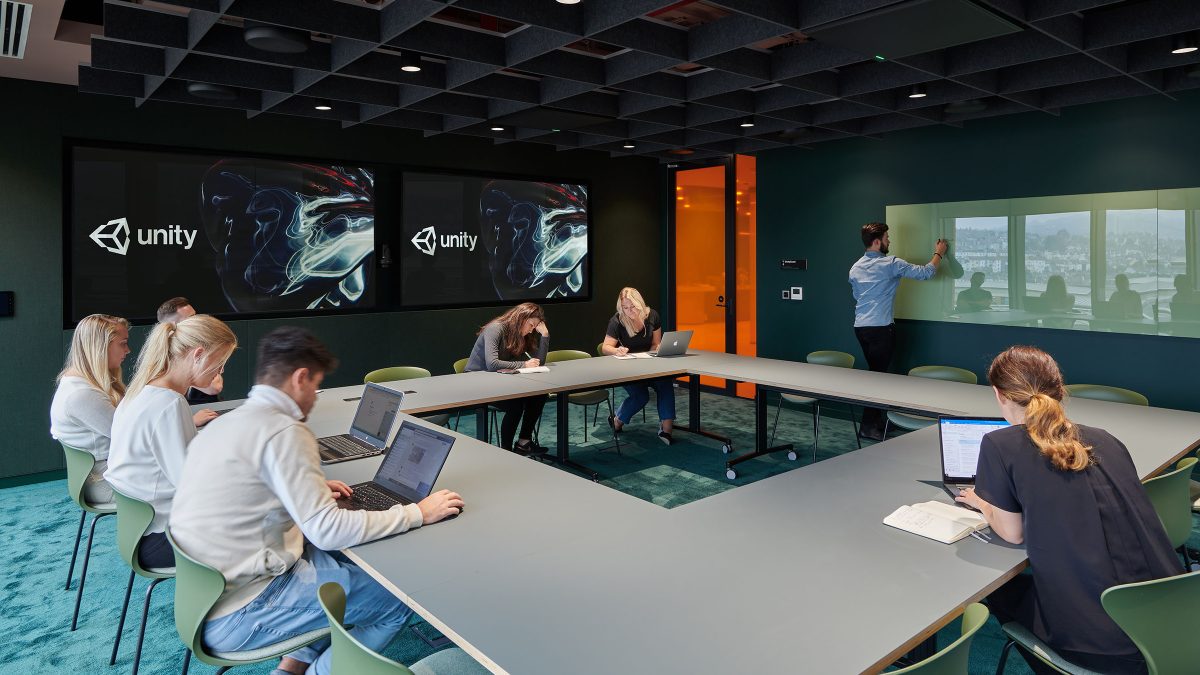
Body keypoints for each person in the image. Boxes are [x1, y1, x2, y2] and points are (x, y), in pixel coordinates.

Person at [171, 327, 465, 675]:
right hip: (241, 612)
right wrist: (417, 512)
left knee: (341, 566)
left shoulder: (227, 424)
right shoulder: (284, 431)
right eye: (316, 385)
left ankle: (292, 668)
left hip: (203, 598)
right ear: (300, 378)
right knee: (397, 600)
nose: (314, 398)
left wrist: (308, 491)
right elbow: (328, 531)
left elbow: (248, 493)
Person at [955, 346, 1181, 675]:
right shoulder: (1105, 438)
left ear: (999, 394)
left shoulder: (998, 444)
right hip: (1173, 618)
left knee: (1002, 590)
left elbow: (1012, 532)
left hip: (1106, 649)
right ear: (1060, 389)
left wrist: (982, 501)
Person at [104, 314, 237, 568]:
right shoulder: (170, 403)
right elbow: (194, 488)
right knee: (274, 524)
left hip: (140, 532)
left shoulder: (141, 391)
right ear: (198, 354)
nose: (221, 372)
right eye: (220, 363)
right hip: (163, 539)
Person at [848, 222, 947, 440]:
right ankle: (868, 427)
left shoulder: (855, 267)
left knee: (876, 374)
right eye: (886, 238)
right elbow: (925, 273)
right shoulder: (890, 263)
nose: (889, 241)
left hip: (861, 327)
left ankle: (877, 422)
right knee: (878, 378)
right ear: (877, 242)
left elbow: (858, 296)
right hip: (881, 329)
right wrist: (938, 253)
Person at [50, 314, 131, 505]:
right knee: (185, 484)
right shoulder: (82, 395)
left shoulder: (81, 384)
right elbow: (132, 434)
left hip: (111, 472)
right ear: (100, 347)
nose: (128, 350)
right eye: (123, 343)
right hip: (106, 484)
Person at [465, 302, 550, 455]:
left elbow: (538, 363)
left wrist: (545, 335)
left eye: (534, 327)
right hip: (477, 382)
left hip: (499, 380)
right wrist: (523, 364)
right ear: (521, 318)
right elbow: (492, 364)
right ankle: (506, 452)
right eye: (531, 325)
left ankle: (524, 443)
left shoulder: (520, 334)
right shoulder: (496, 328)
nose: (531, 330)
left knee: (540, 395)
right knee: (516, 404)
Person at [601, 287, 675, 444]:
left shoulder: (652, 316)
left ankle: (666, 431)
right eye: (625, 308)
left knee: (665, 383)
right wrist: (617, 350)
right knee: (641, 396)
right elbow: (605, 347)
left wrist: (657, 349)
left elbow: (656, 343)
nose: (629, 311)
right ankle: (617, 421)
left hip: (650, 365)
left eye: (632, 306)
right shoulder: (617, 320)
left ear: (640, 303)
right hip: (628, 369)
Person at [157, 296, 224, 405]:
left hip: (208, 408)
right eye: (191, 318)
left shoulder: (202, 342)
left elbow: (215, 386)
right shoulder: (160, 355)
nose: (197, 320)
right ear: (173, 325)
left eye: (195, 315)